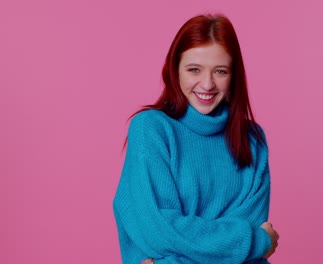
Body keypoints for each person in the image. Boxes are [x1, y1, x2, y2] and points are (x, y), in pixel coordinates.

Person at [113, 14, 279, 264]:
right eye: (194, 69)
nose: (207, 84)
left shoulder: (252, 140)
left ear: (234, 76)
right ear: (175, 70)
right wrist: (253, 242)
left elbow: (247, 253)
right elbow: (158, 231)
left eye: (220, 71)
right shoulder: (151, 129)